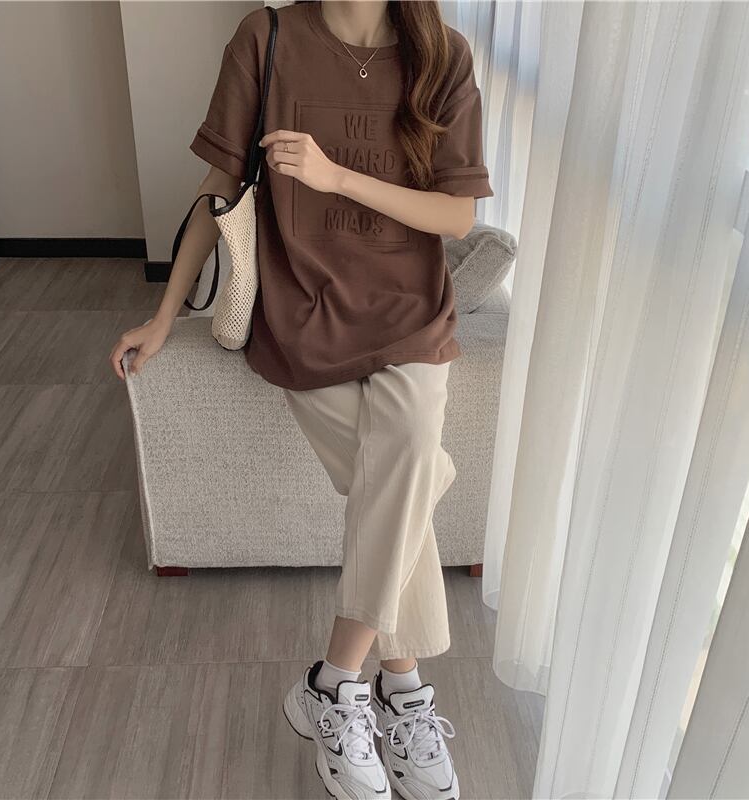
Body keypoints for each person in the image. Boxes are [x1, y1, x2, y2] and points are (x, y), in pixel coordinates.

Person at [110, 2, 493, 798]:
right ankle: (403, 689)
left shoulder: (443, 55)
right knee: (411, 480)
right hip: (301, 317)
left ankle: (333, 681)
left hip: (412, 316)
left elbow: (457, 214)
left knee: (407, 456)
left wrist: (336, 176)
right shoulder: (266, 38)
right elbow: (218, 189)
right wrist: (164, 315)